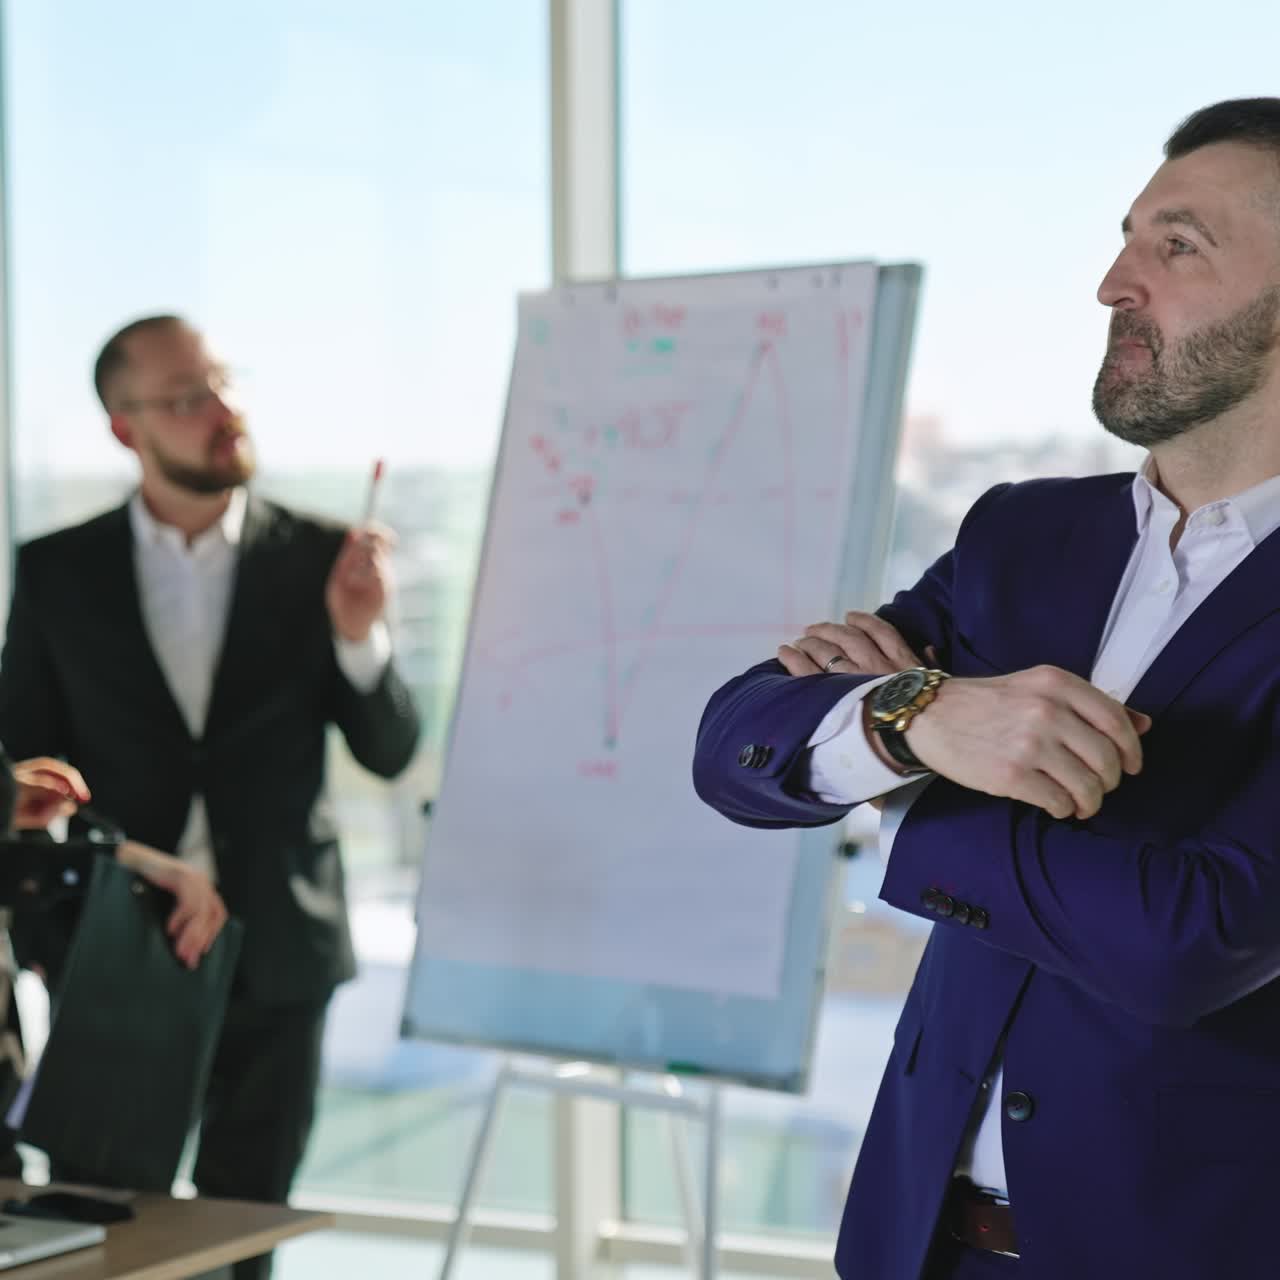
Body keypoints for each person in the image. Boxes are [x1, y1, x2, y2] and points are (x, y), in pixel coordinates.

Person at [694, 97, 1280, 1280]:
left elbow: (1193, 936)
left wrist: (901, 792)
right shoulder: (1021, 534)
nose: (1112, 282)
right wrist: (923, 716)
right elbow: (735, 746)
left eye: (1177, 245)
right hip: (917, 1237)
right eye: (1125, 237)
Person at [0, 315, 421, 1279]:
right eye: (187, 397)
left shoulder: (324, 557)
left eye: (224, 384)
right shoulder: (57, 570)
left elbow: (391, 752)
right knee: (96, 1230)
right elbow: (22, 762)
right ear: (124, 428)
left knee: (245, 1233)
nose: (221, 411)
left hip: (280, 945)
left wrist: (361, 635)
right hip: (110, 940)